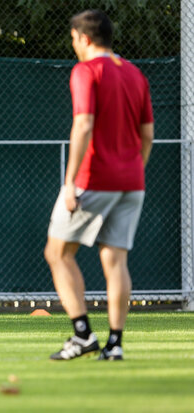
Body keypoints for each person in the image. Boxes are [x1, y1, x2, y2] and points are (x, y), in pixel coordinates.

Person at [44, 10, 154, 361]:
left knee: (58, 252)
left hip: (95, 178)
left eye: (74, 38)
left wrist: (70, 182)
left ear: (84, 38)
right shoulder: (135, 74)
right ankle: (115, 344)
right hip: (132, 181)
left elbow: (84, 124)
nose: (74, 45)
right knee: (115, 259)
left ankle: (83, 335)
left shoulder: (85, 71)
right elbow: (147, 135)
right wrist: (134, 168)